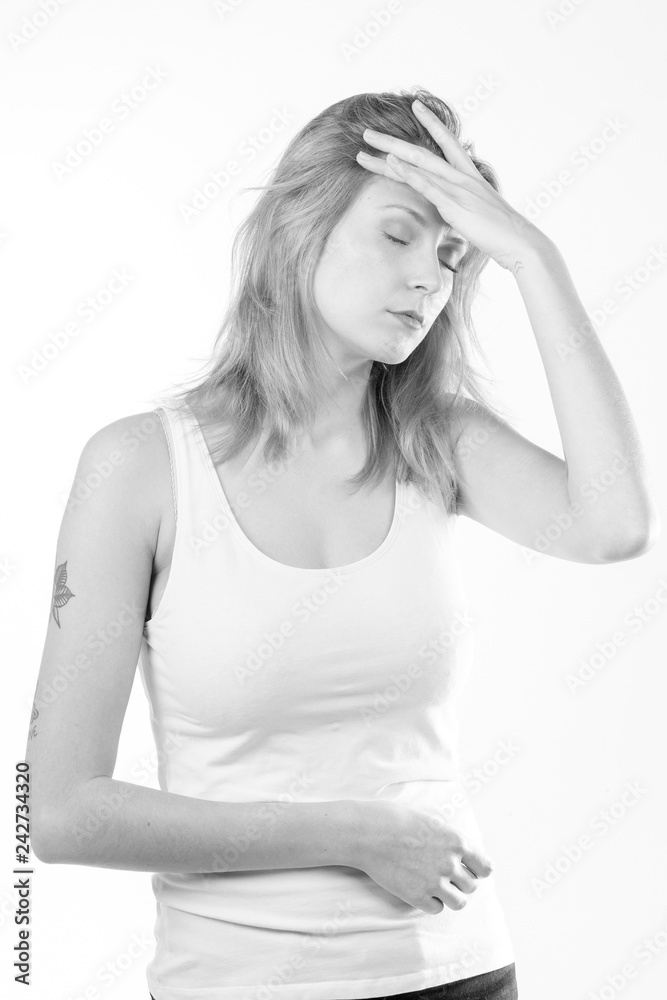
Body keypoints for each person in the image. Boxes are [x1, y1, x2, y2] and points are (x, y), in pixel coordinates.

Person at [25, 88, 658, 1000]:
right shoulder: (140, 467)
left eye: (452, 256)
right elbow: (59, 814)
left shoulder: (435, 440)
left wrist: (533, 257)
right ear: (300, 230)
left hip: (460, 971)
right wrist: (353, 835)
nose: (429, 280)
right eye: (399, 235)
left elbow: (614, 526)